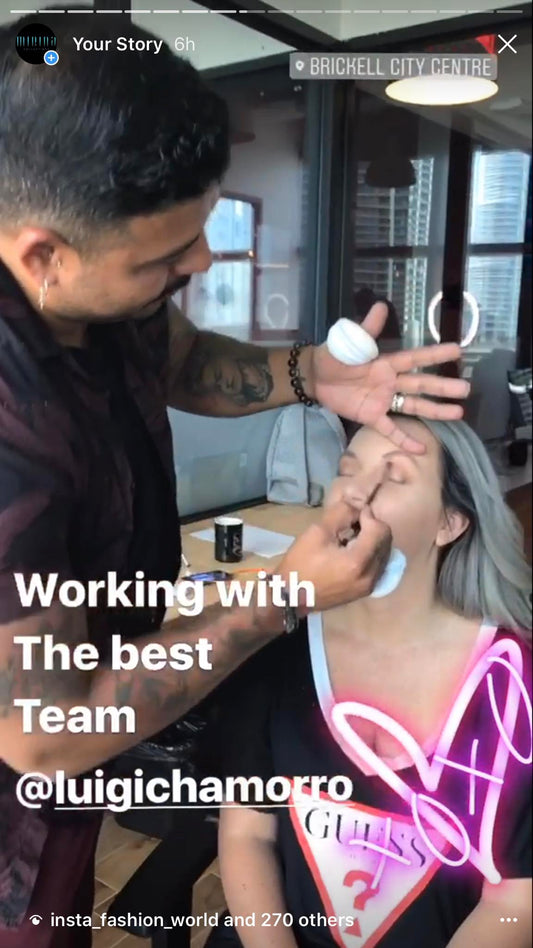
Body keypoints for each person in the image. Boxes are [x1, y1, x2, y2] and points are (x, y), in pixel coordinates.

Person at [0, 10, 470, 946]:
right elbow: (44, 735)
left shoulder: (95, 294)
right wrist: (283, 596)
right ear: (43, 256)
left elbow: (177, 358)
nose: (202, 263)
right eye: (164, 258)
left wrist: (309, 373)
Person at [205, 415, 532, 948]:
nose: (354, 494)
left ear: (450, 523)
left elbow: (515, 898)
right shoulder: (277, 644)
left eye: (393, 477)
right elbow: (247, 832)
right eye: (347, 470)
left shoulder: (511, 681)